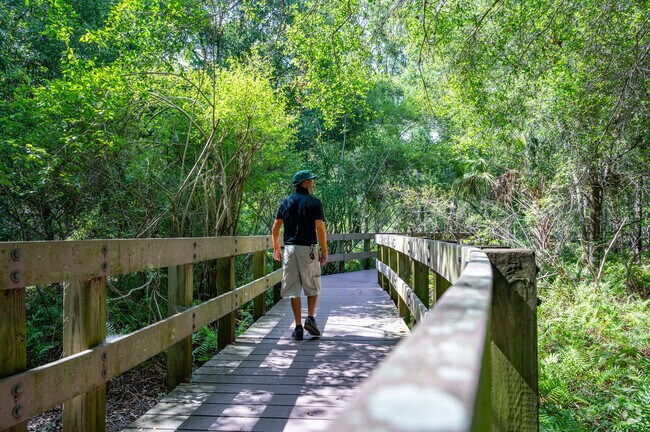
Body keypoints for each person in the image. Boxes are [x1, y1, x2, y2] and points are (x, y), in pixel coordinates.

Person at [272, 169, 328, 340]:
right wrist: (324, 250)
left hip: (289, 249)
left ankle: (297, 327)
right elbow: (319, 226)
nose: (313, 183)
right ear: (305, 183)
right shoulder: (314, 202)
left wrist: (276, 247)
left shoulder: (286, 202)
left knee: (293, 288)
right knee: (313, 283)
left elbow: (276, 227)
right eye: (311, 180)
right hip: (308, 249)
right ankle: (310, 318)